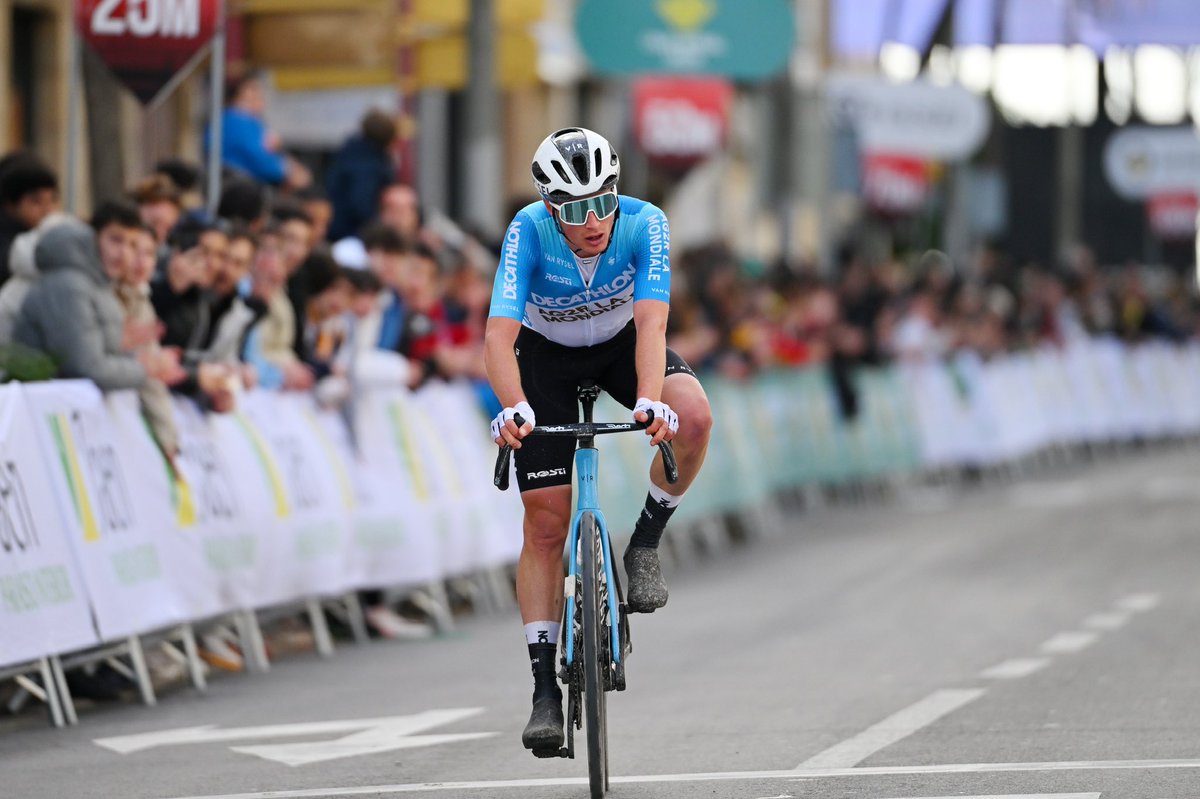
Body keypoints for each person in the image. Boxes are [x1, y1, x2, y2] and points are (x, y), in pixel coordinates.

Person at [484, 127, 713, 753]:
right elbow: (498, 338)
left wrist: (647, 401)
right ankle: (543, 692)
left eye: (603, 202)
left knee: (691, 416)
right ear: (551, 206)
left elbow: (652, 322)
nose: (594, 221)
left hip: (621, 349)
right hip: (545, 359)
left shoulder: (645, 223)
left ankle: (643, 543)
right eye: (576, 209)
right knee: (546, 524)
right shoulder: (527, 231)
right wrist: (513, 410)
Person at [325, 108, 397, 243]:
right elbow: (361, 204)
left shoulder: (351, 152)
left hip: (339, 227)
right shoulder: (369, 164)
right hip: (351, 234)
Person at [0, 153, 60, 286]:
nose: (48, 210)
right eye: (36, 201)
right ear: (9, 205)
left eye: (53, 199)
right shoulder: (8, 251)